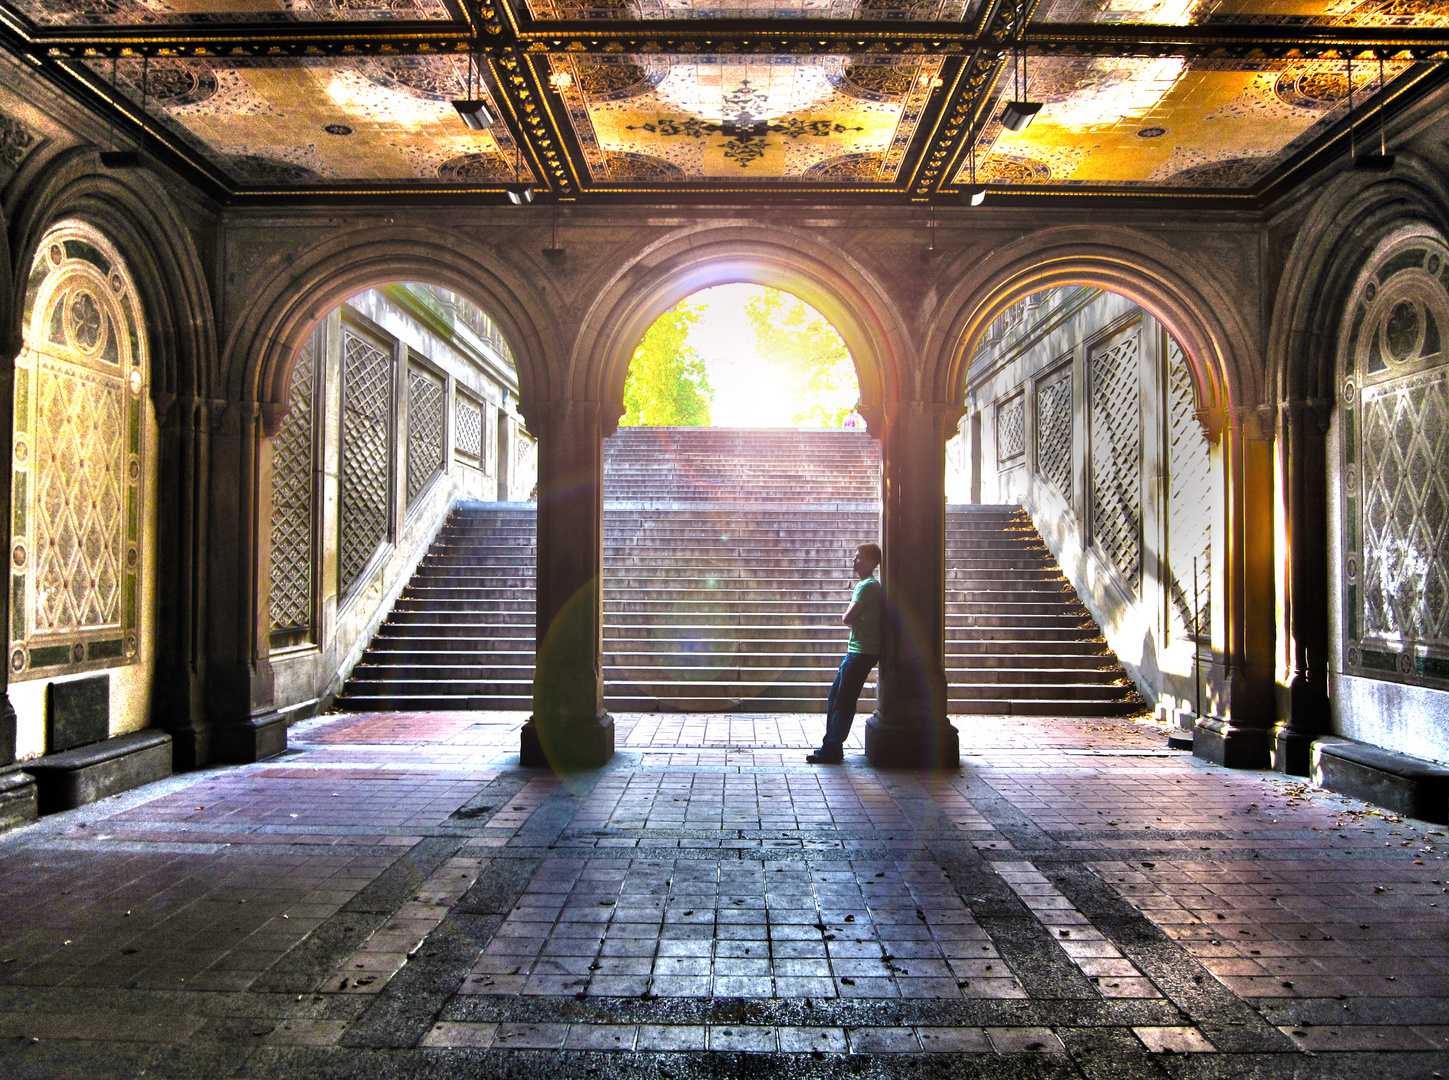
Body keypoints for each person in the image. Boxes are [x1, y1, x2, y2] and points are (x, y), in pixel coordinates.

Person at [807, 542, 882, 764]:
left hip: (861, 650)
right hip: (861, 650)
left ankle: (832, 748)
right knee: (837, 696)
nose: (853, 560)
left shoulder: (866, 586)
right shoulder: (871, 585)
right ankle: (831, 744)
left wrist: (853, 618)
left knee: (842, 699)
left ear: (869, 562)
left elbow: (847, 618)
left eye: (858, 557)